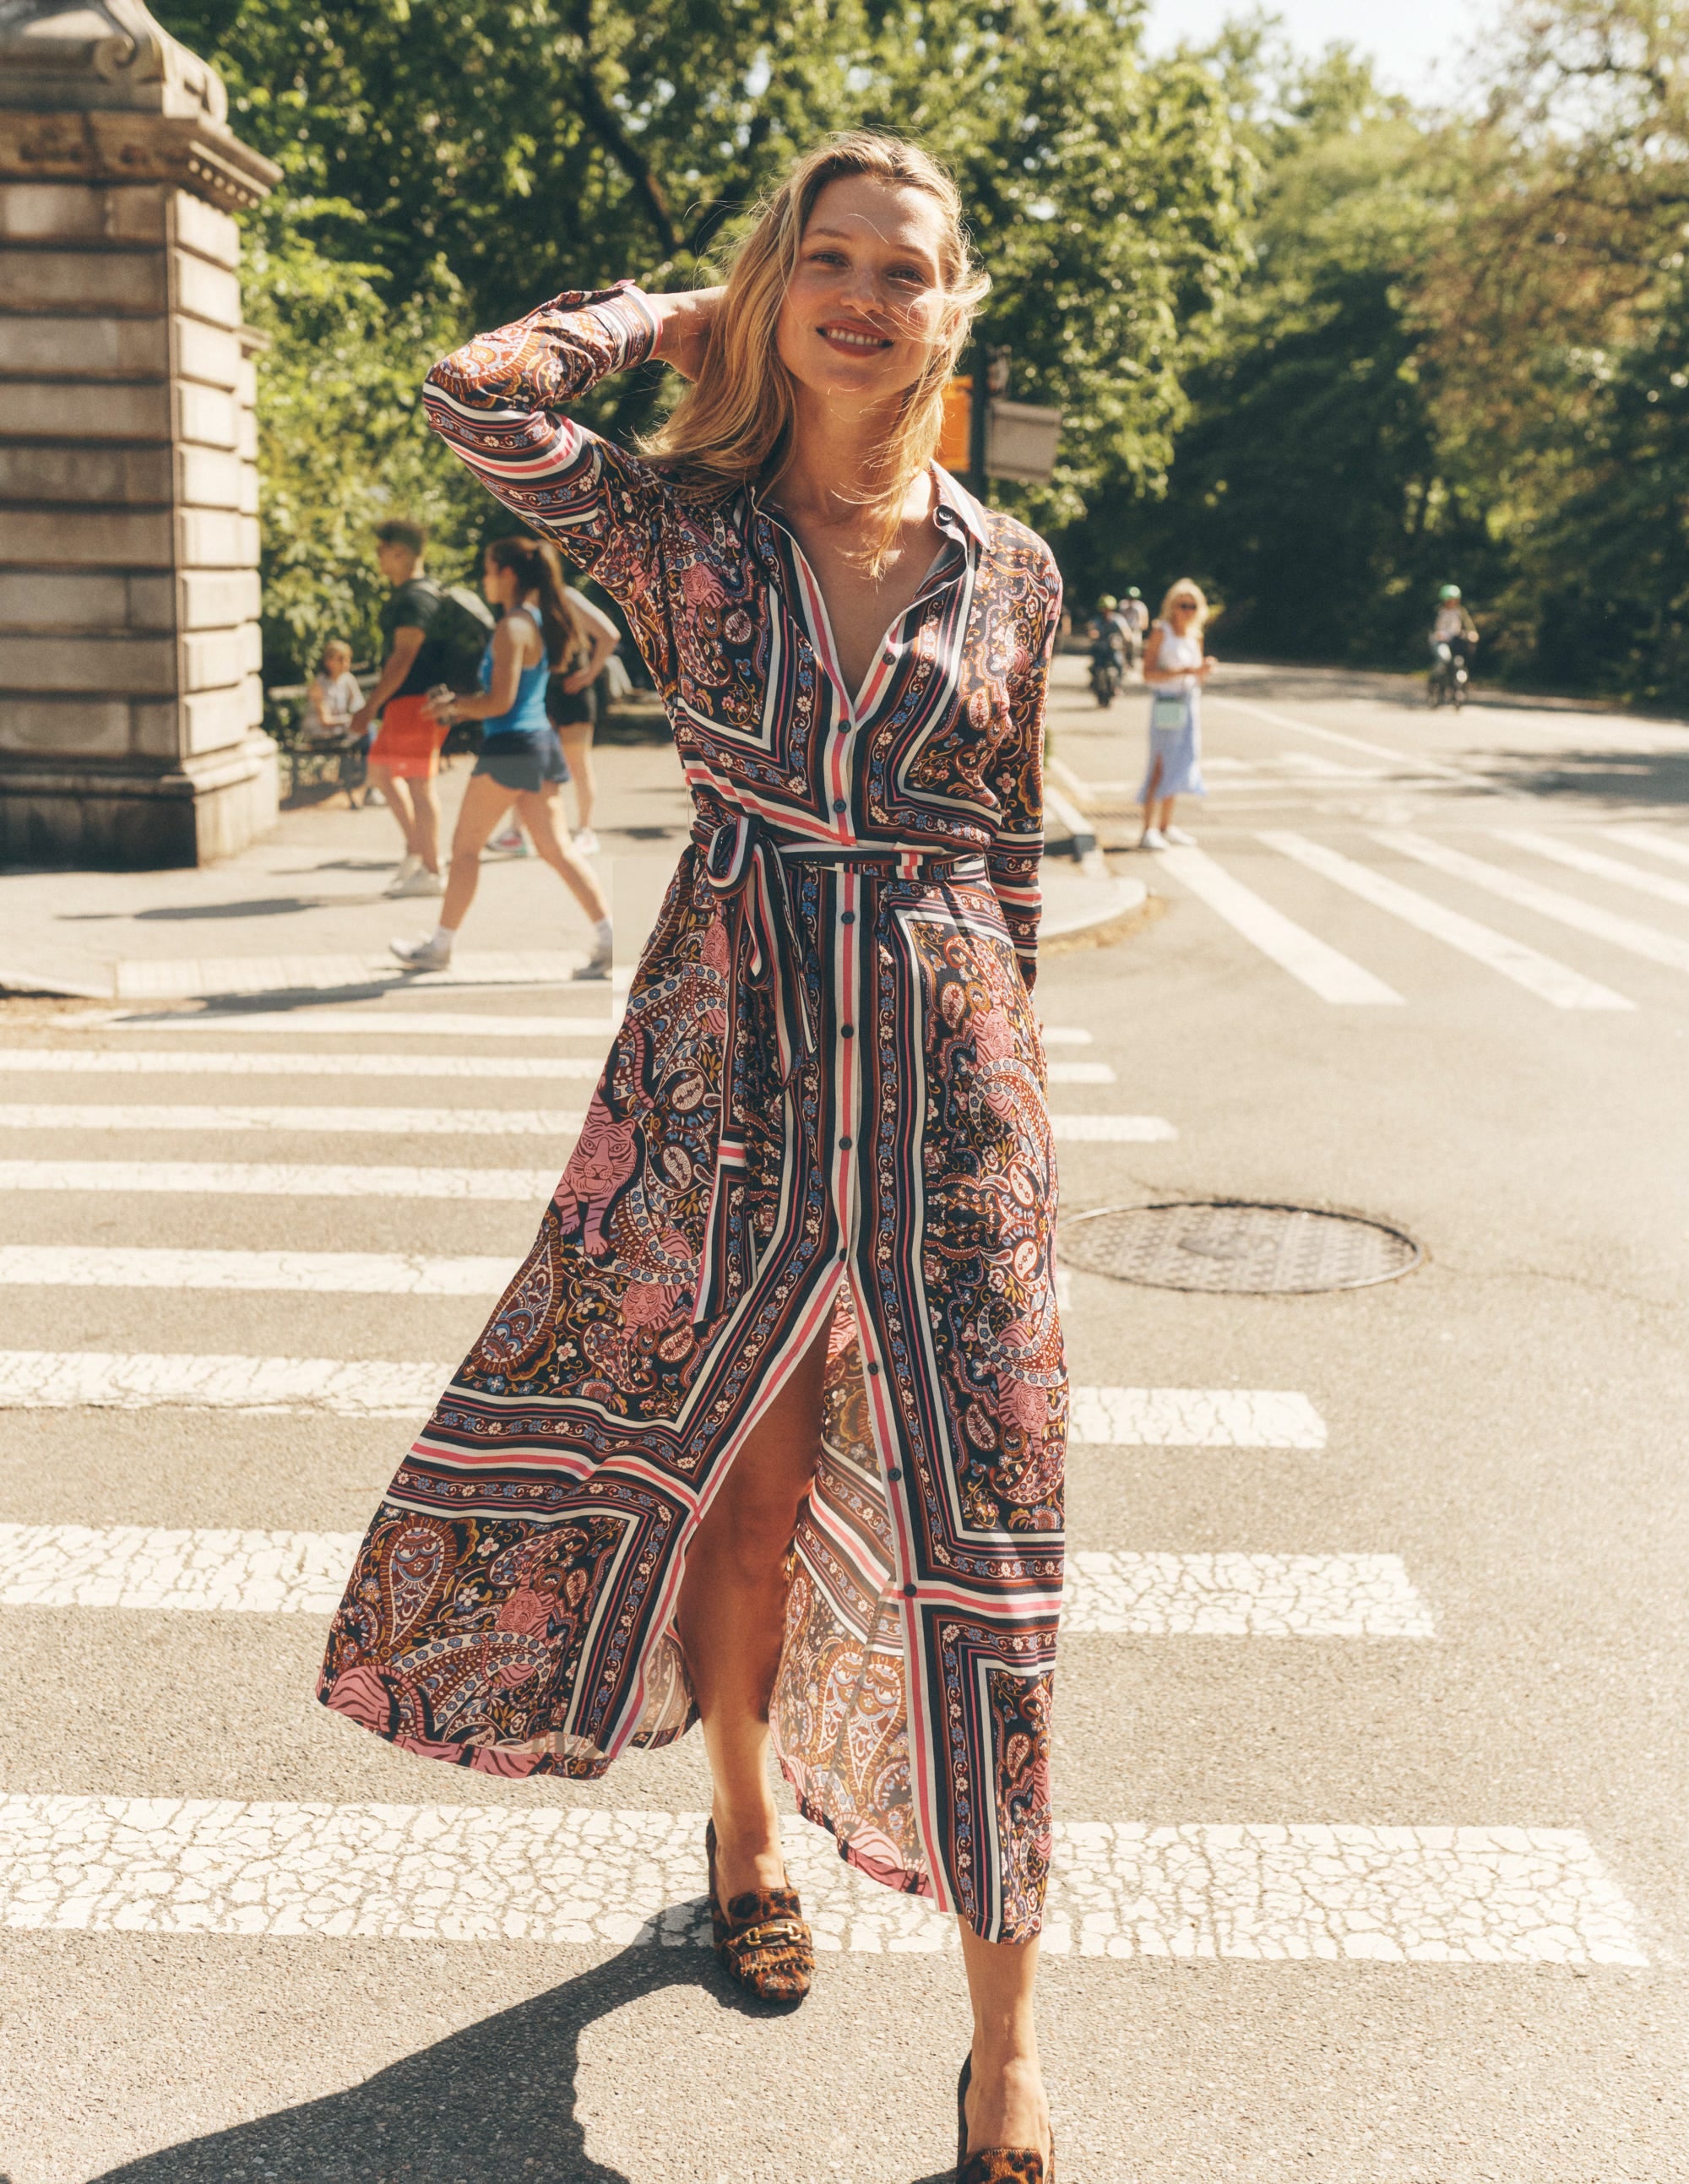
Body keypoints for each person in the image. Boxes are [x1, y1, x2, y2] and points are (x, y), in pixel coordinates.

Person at [318, 132, 1063, 2184]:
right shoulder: (678, 531)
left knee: (989, 1534)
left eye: (896, 268)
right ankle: (743, 1822)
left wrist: (1014, 1117)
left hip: (949, 1107)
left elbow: (1001, 850)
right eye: (817, 263)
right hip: (719, 1081)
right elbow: (479, 393)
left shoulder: (1013, 571)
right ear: (776, 294)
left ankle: (1005, 2038)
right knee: (739, 1494)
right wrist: (677, 309)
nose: (856, 296)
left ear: (951, 305)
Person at [389, 535, 614, 978]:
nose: (485, 579)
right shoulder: (534, 619)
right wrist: (459, 705)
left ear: (507, 574)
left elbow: (499, 702)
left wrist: (453, 706)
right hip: (536, 744)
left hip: (511, 747)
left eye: (489, 570)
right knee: (556, 849)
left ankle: (440, 946)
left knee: (465, 849)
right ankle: (610, 938)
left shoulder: (513, 627)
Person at [350, 519, 448, 897]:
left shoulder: (415, 598)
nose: (379, 560)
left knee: (419, 786)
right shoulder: (413, 593)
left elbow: (403, 657)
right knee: (380, 772)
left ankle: (432, 869)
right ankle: (417, 852)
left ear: (402, 553)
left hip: (415, 701)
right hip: (405, 702)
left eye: (382, 552)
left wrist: (369, 706)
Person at [489, 583, 620, 858]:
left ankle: (585, 831)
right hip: (542, 692)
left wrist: (590, 674)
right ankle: (517, 833)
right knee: (532, 761)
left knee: (577, 762)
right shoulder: (522, 603)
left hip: (573, 692)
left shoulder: (566, 597)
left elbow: (609, 635)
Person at [1138, 579, 1214, 850]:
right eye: (1183, 605)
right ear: (1172, 606)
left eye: (1193, 606)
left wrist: (1202, 671)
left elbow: (1196, 677)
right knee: (1160, 763)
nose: (1188, 610)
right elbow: (1147, 674)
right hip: (1168, 702)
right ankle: (1148, 830)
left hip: (1188, 703)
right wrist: (1184, 672)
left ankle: (1165, 827)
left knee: (1181, 762)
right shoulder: (1162, 631)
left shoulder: (1195, 635)